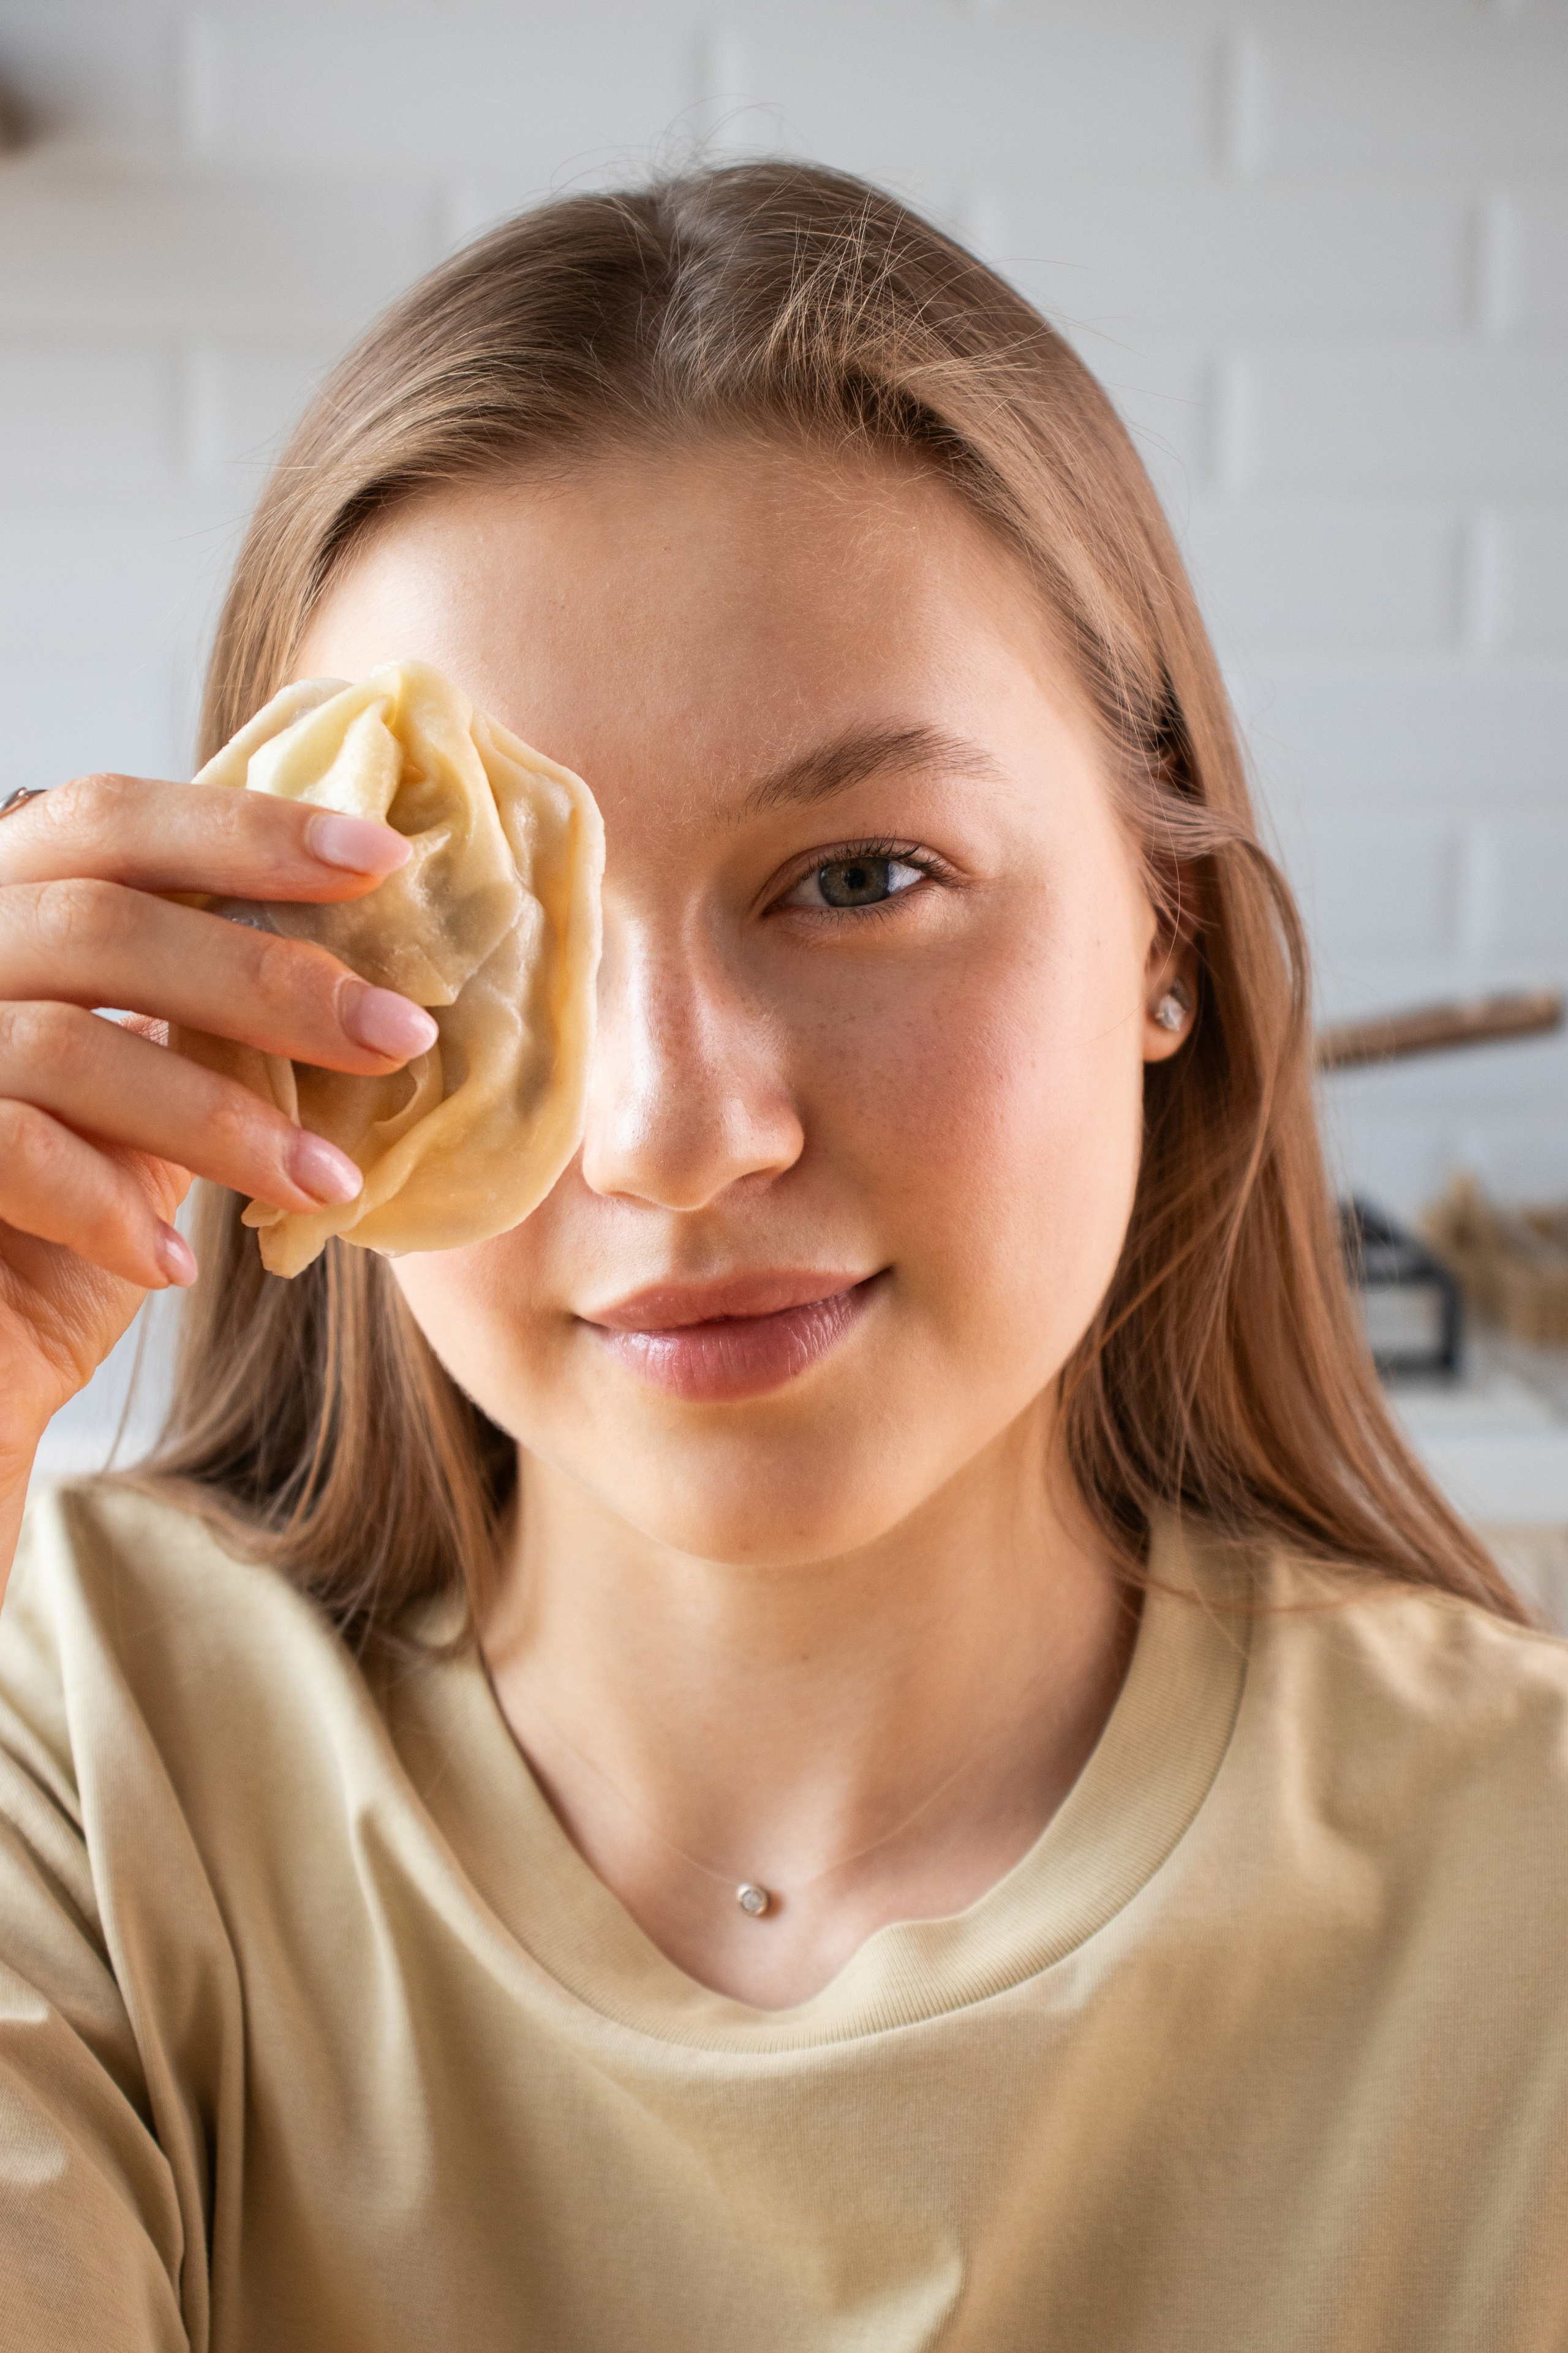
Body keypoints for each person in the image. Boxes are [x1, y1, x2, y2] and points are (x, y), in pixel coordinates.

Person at [0, 161, 1563, 2353]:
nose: (672, 1127)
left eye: (861, 878)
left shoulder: (1526, 1895)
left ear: (1167, 931)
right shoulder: (77, 1751)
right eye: (482, 926)